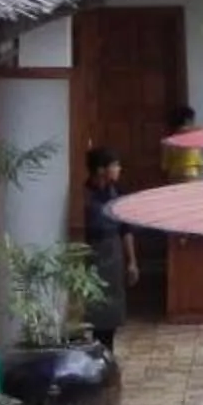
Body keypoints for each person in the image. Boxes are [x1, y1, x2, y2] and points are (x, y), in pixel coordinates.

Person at [82, 147, 135, 351]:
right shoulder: (85, 194)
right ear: (100, 169)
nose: (119, 169)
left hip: (114, 252)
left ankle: (108, 349)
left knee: (113, 307)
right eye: (115, 165)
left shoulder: (118, 192)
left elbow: (126, 229)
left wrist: (132, 261)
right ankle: (98, 349)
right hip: (92, 253)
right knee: (95, 306)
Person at [160, 106, 203, 182]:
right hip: (190, 171)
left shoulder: (168, 140)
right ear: (188, 120)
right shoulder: (195, 135)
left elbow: (166, 163)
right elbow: (197, 156)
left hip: (174, 172)